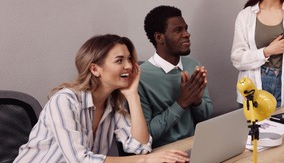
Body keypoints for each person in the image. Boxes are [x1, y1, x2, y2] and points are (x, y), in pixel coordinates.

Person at [14, 34, 189, 162]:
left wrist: (133, 96)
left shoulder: (112, 104)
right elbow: (80, 161)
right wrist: (144, 161)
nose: (129, 65)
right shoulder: (65, 101)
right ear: (95, 69)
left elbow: (141, 147)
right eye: (119, 60)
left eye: (129, 59)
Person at [139, 5, 213, 148]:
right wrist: (182, 103)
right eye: (178, 30)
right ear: (159, 37)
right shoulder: (141, 78)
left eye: (186, 28)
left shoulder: (193, 65)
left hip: (195, 146)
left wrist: (197, 101)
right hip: (163, 154)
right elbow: (147, 135)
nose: (187, 34)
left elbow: (206, 118)